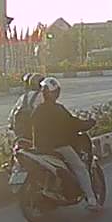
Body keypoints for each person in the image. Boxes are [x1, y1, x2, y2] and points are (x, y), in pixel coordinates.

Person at [31, 77, 101, 211]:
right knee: (80, 168)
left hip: (40, 148)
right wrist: (89, 123)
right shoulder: (58, 110)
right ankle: (92, 200)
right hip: (59, 146)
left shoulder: (37, 110)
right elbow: (73, 124)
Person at [8, 72, 45, 140]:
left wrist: (11, 125)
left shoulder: (23, 97)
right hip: (36, 134)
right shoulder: (43, 96)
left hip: (20, 134)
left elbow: (12, 114)